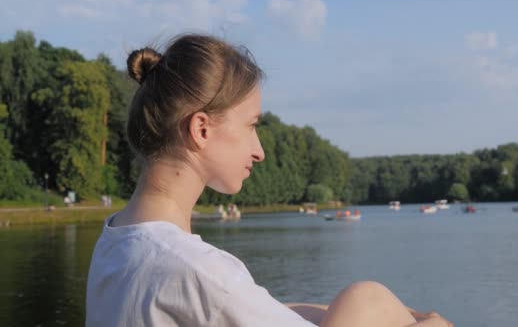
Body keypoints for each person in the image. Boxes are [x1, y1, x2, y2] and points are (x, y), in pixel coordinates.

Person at [85, 33, 452, 327]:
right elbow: (221, 296)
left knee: (364, 304)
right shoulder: (197, 269)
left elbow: (247, 306)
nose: (259, 151)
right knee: (367, 297)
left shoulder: (117, 240)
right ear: (201, 129)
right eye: (251, 126)